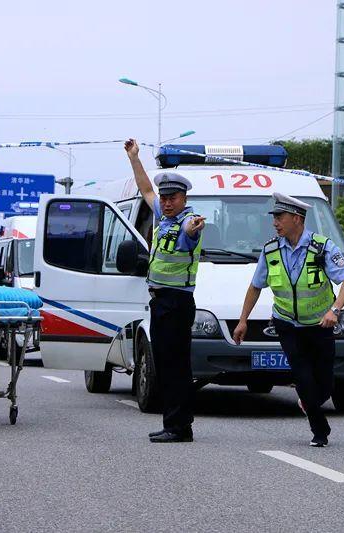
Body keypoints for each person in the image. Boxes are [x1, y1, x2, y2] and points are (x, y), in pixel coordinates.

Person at [232, 192, 344, 447]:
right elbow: (255, 286)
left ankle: (310, 401)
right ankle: (319, 430)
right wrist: (243, 320)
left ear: (297, 218)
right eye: (274, 217)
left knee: (324, 384)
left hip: (320, 325)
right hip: (287, 324)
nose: (275, 222)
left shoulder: (322, 248)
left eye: (280, 217)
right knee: (302, 376)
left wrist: (335, 309)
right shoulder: (271, 250)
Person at [125, 139, 205, 443]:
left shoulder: (187, 221)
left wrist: (192, 228)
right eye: (165, 197)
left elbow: (190, 232)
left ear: (184, 198)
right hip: (160, 302)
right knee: (166, 365)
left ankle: (179, 426)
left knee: (176, 366)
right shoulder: (163, 216)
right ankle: (175, 422)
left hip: (177, 302)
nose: (167, 202)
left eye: (173, 197)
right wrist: (135, 158)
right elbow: (146, 190)